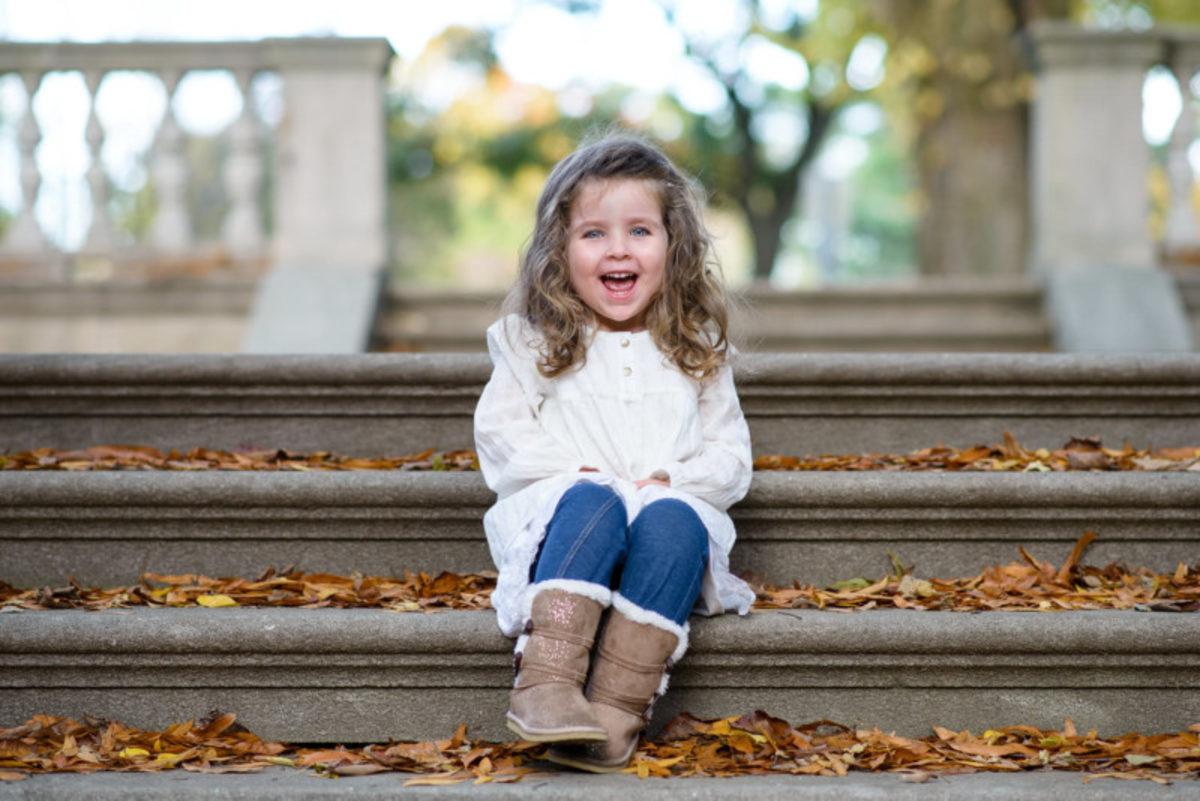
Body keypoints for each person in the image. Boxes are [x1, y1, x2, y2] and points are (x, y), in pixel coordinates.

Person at [473, 132, 754, 773]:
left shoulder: (697, 347)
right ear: (559, 250)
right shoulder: (531, 342)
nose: (618, 248)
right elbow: (501, 432)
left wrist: (672, 477)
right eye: (594, 233)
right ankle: (545, 686)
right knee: (595, 502)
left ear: (673, 246)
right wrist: (575, 474)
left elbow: (731, 454)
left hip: (662, 524)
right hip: (567, 518)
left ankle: (614, 711)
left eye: (639, 231)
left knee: (675, 519)